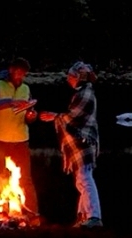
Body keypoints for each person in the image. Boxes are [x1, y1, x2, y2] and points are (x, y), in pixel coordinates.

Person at [40, 61, 101, 227]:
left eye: (71, 76)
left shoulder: (85, 93)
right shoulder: (83, 92)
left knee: (85, 179)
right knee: (81, 180)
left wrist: (55, 117)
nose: (69, 79)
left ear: (78, 77)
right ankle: (83, 217)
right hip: (82, 143)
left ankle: (94, 216)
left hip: (83, 142)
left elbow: (73, 117)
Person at [0, 57, 40, 216]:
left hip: (21, 140)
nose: (20, 76)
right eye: (18, 72)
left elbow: (29, 117)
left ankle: (32, 214)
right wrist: (10, 102)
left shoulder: (26, 89)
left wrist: (31, 115)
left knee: (25, 179)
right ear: (11, 70)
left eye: (24, 74)